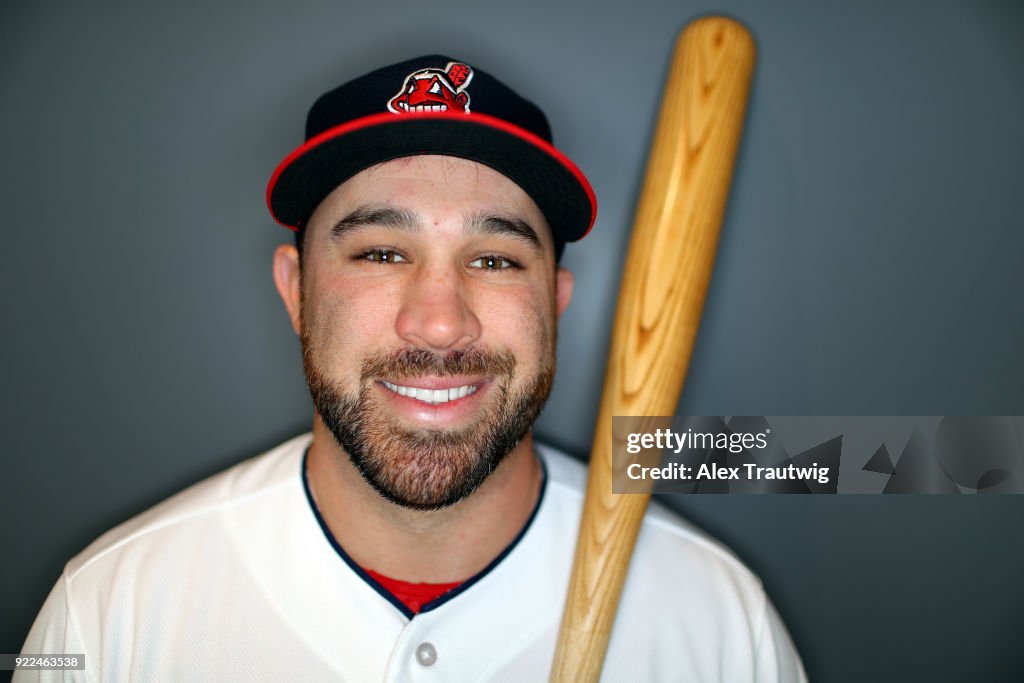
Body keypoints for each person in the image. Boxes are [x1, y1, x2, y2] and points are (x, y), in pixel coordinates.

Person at [18, 55, 807, 682]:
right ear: (297, 291)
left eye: (494, 258)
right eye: (381, 252)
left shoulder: (720, 621)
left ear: (555, 301)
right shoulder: (110, 612)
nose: (437, 319)